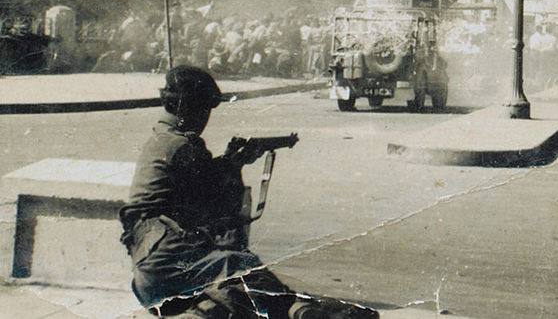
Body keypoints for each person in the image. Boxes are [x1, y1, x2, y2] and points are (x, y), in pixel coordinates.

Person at [119, 65, 377, 319]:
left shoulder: (161, 138)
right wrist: (233, 165)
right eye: (205, 109)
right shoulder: (184, 145)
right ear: (193, 108)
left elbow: (193, 189)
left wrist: (230, 163)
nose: (206, 118)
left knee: (228, 296)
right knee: (238, 266)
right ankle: (297, 310)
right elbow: (218, 208)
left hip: (149, 269)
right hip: (169, 258)